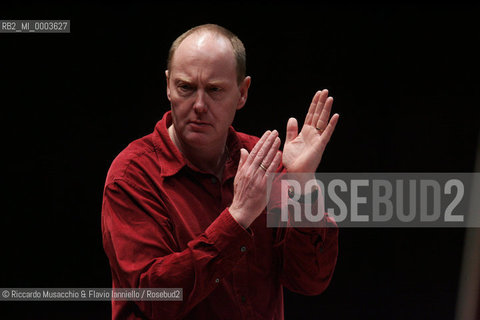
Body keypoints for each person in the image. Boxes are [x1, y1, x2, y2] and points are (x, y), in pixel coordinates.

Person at [102, 23, 339, 320]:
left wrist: (303, 186)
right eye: (186, 87)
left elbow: (310, 281)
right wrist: (237, 217)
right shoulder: (132, 174)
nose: (199, 105)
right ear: (167, 86)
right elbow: (155, 299)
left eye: (214, 90)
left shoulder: (264, 162)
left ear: (242, 93)